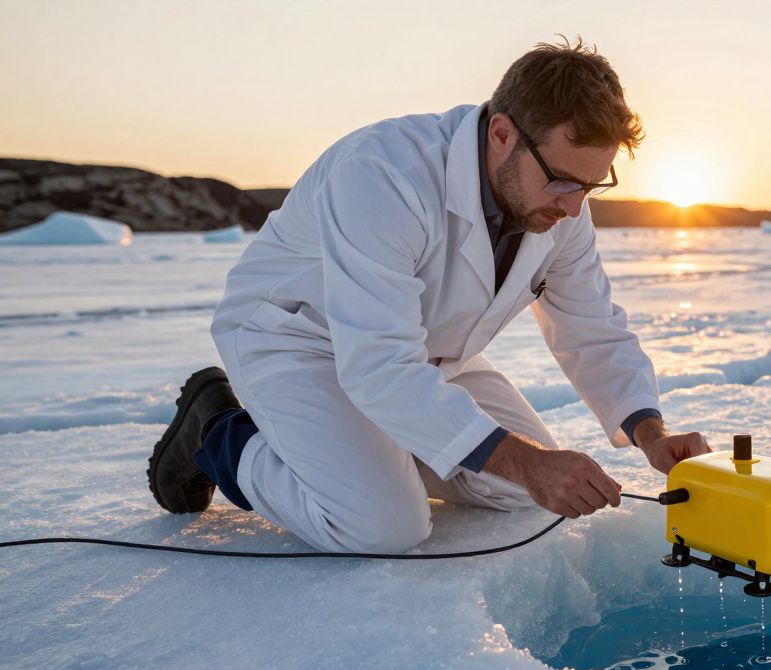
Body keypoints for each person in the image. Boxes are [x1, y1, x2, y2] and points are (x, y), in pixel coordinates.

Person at [147, 38, 712, 553]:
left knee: (520, 491)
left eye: (592, 185)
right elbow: (377, 364)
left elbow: (591, 327)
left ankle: (373, 452)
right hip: (302, 339)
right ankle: (218, 430)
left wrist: (650, 434)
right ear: (502, 134)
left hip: (424, 351)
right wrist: (526, 461)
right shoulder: (384, 175)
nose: (573, 206)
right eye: (563, 181)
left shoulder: (562, 208)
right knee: (382, 525)